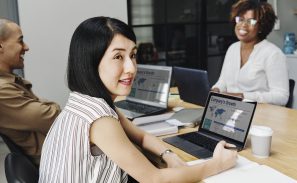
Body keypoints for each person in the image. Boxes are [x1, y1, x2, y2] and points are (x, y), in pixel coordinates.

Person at [38, 16, 237, 183]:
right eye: (118, 57)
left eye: (133, 55)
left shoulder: (86, 101)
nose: (132, 68)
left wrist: (169, 156)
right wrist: (218, 164)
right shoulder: (99, 120)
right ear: (90, 62)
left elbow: (141, 136)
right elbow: (153, 179)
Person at [0, 18, 61, 166]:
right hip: (60, 164)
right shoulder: (2, 90)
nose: (26, 47)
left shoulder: (11, 81)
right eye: (20, 41)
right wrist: (53, 106)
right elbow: (54, 118)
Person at [212, 0, 289, 106]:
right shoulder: (232, 49)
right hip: (229, 110)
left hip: (261, 114)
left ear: (261, 27)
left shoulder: (273, 54)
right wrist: (216, 89)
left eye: (251, 21)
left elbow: (281, 97)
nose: (243, 25)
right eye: (240, 19)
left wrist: (243, 96)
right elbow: (223, 81)